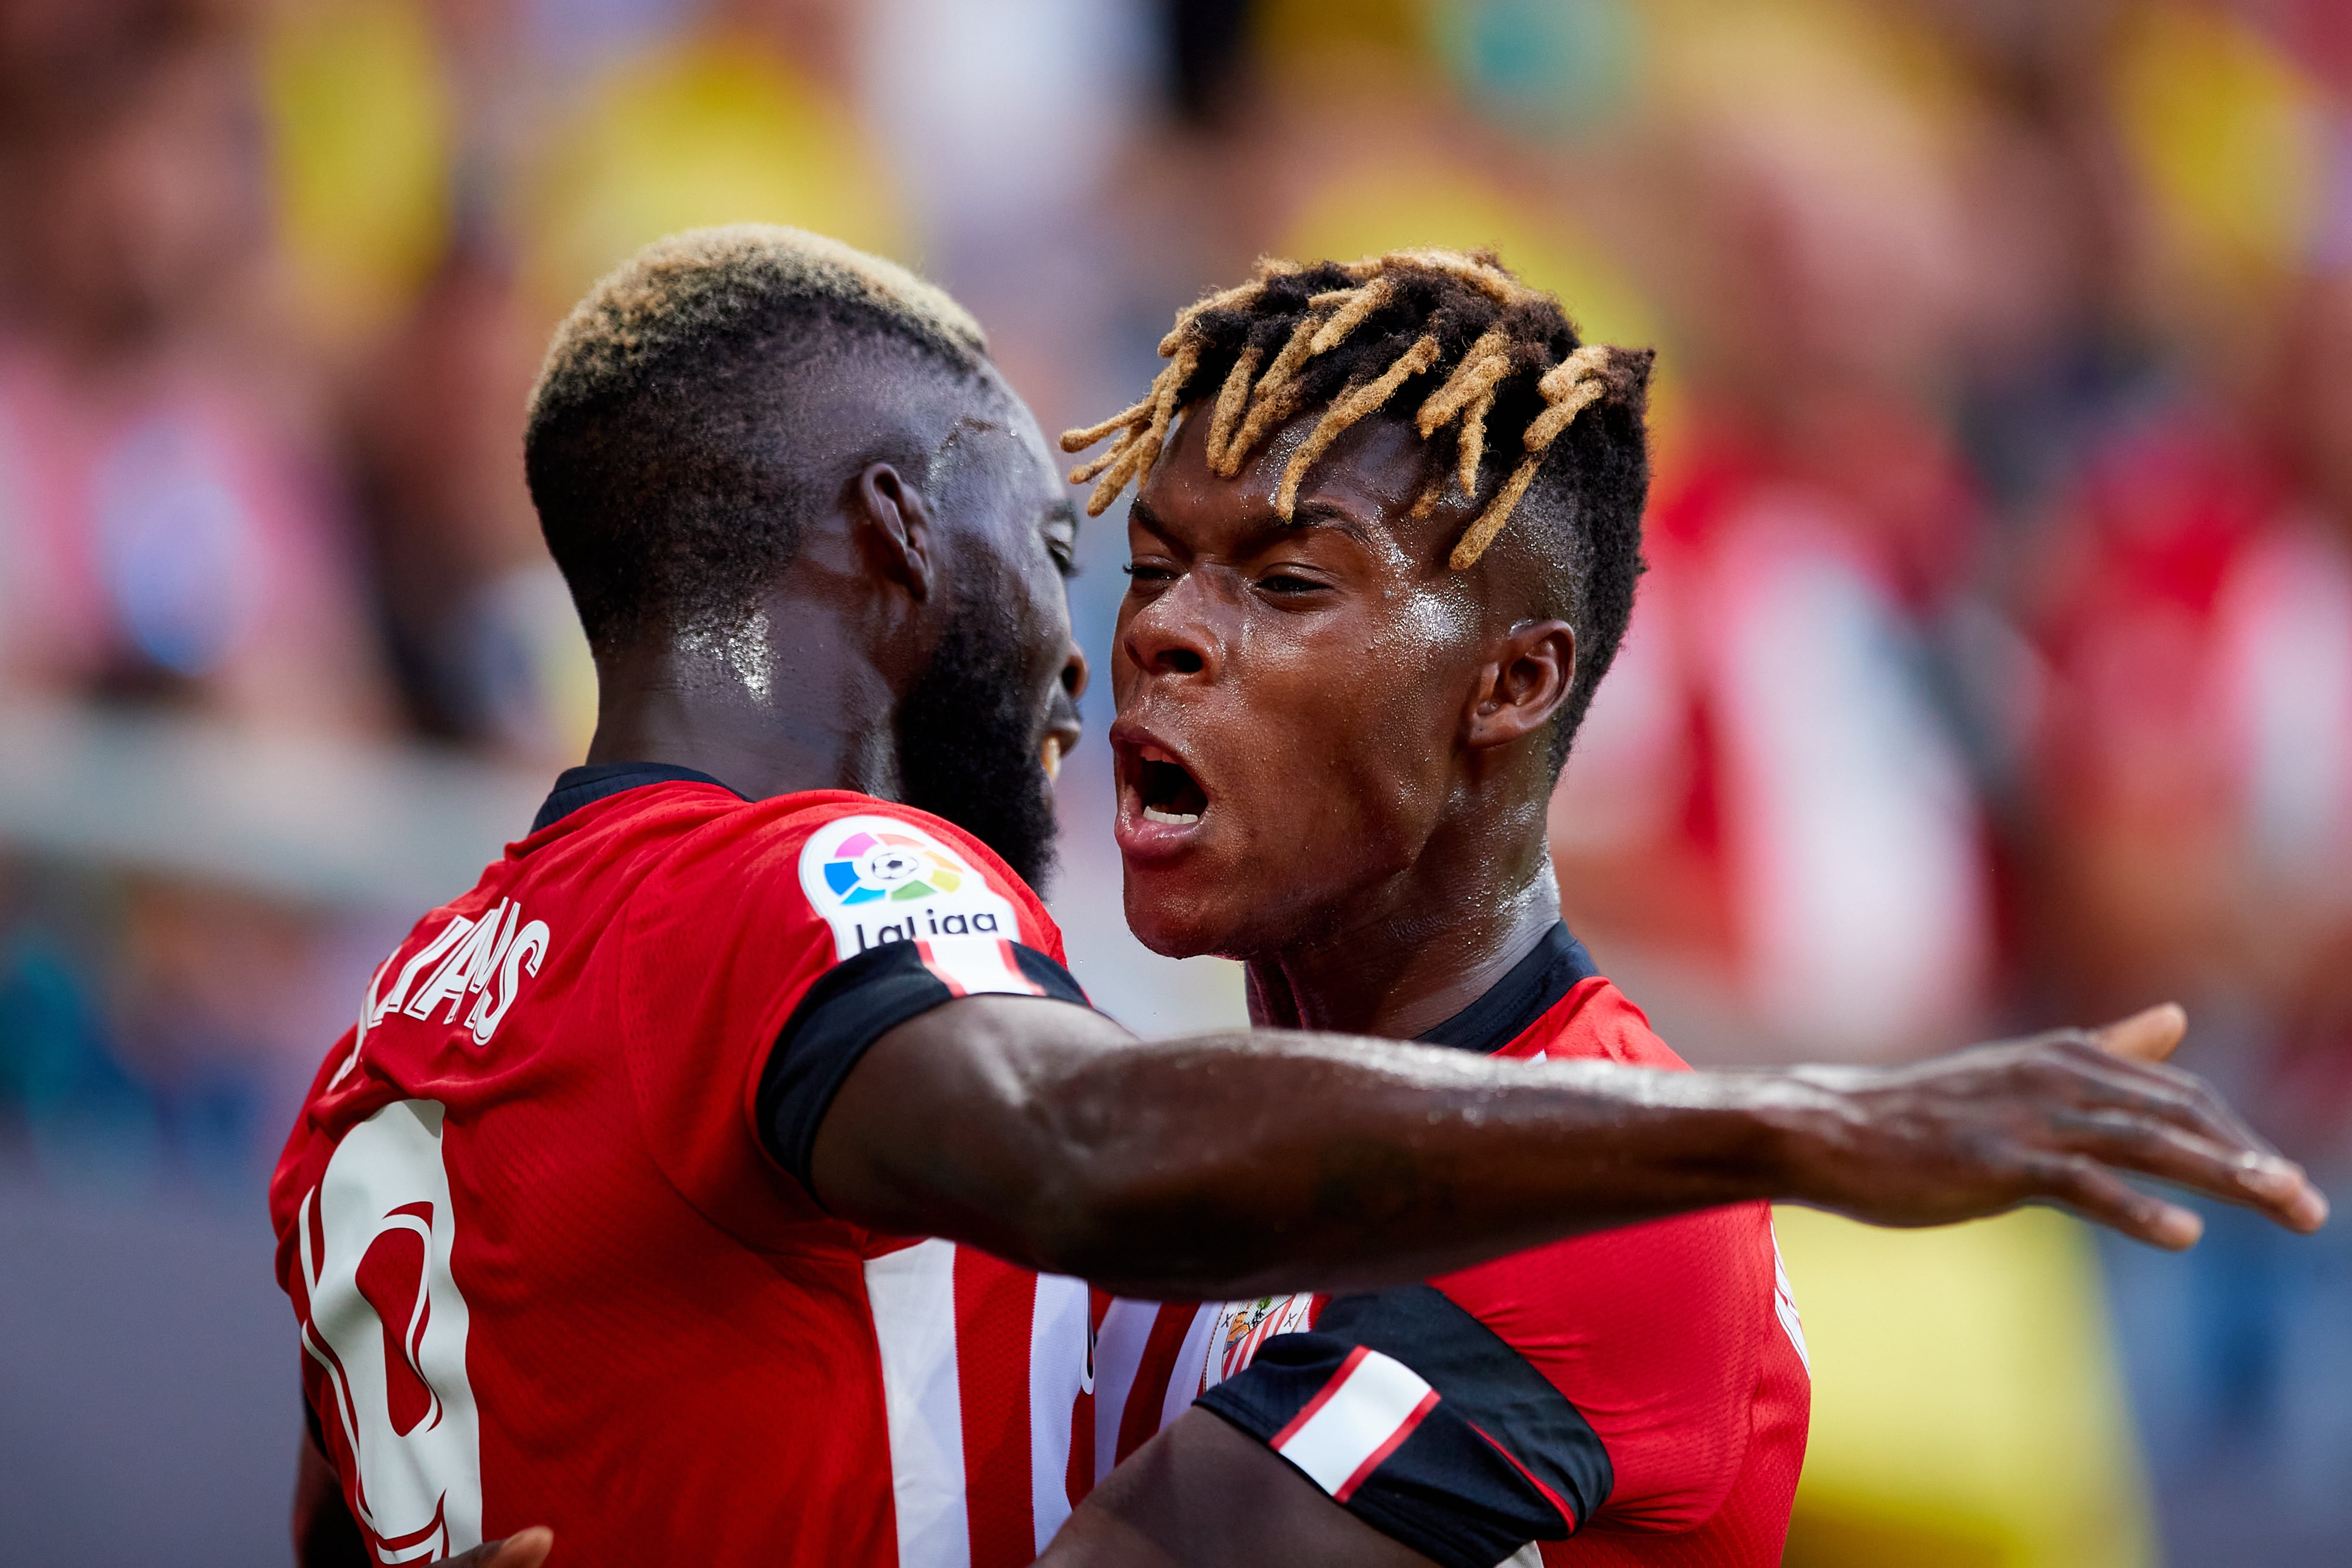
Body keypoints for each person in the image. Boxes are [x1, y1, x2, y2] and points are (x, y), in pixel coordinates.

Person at [274, 227, 2320, 1567]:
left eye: (1285, 583)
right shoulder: (1148, 1129)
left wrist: (1776, 1127)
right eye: (1148, 558)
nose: (1152, 632)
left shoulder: (1598, 1233)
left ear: (1509, 684)